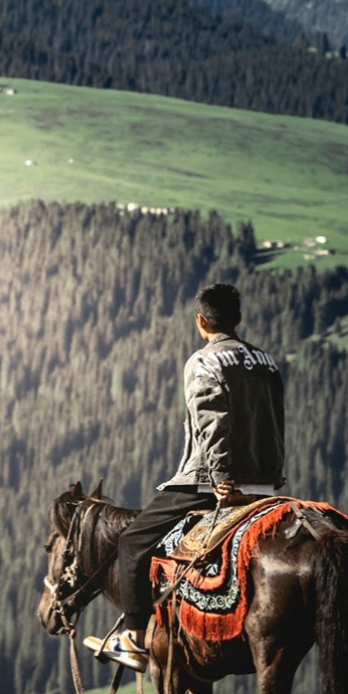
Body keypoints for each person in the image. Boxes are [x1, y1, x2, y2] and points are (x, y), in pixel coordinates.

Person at [95, 280, 286, 671]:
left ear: (201, 321)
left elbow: (213, 423)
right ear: (239, 318)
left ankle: (133, 639)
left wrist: (221, 479)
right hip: (267, 482)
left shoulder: (204, 362)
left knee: (132, 541)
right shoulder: (267, 362)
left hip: (210, 482)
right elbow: (275, 422)